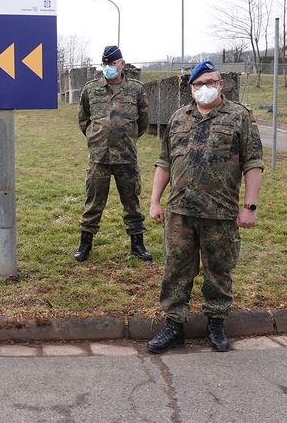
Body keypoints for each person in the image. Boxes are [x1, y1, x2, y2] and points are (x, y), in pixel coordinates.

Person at [146, 60, 264, 354]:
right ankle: (174, 325)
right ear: (191, 88)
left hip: (220, 211)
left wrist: (249, 206)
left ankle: (216, 322)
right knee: (175, 270)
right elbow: (164, 162)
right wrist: (154, 201)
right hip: (180, 211)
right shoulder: (177, 118)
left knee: (219, 270)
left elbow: (253, 163)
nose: (205, 89)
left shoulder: (239, 117)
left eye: (211, 82)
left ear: (221, 84)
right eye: (199, 84)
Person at [73, 45, 152, 263]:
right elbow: (83, 119)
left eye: (112, 63)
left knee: (132, 202)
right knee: (93, 202)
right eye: (105, 64)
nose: (108, 67)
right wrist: (95, 136)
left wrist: (127, 138)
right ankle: (85, 244)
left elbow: (143, 122)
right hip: (99, 157)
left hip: (126, 157)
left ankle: (138, 244)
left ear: (122, 64)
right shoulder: (91, 89)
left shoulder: (136, 89)